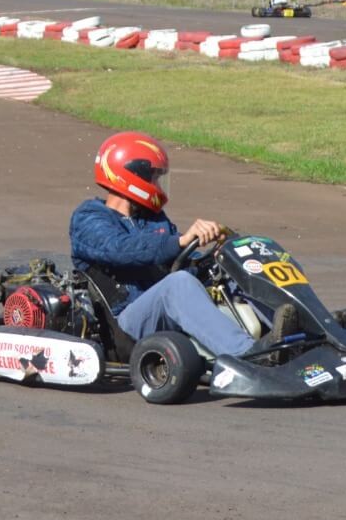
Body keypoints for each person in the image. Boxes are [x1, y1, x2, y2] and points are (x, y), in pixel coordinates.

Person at [69, 131, 296, 361]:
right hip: (124, 326)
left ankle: (299, 339)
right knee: (178, 284)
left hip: (164, 313)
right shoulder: (89, 217)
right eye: (153, 177)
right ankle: (249, 354)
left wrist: (214, 259)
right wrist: (180, 241)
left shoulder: (152, 219)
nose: (157, 184)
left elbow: (180, 263)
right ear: (131, 175)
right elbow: (123, 249)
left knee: (236, 271)